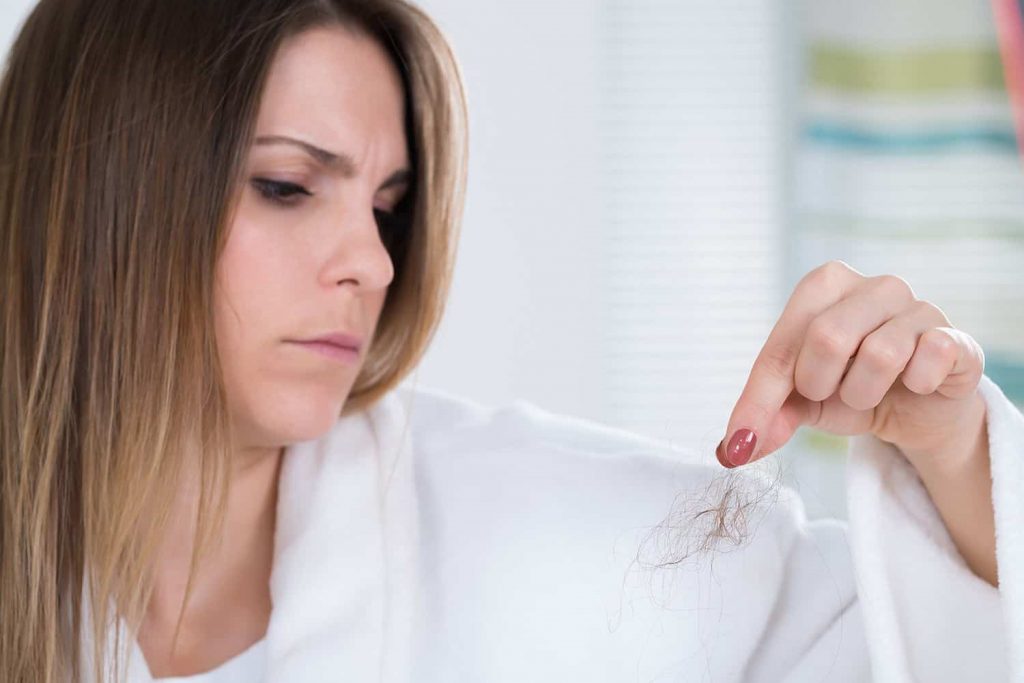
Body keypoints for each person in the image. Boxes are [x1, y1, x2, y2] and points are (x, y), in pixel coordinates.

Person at [1, 0, 1021, 681]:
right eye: (287, 185)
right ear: (94, 198)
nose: (374, 263)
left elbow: (918, 646)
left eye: (389, 206)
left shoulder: (581, 539)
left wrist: (952, 449)